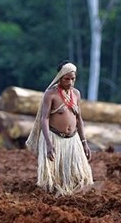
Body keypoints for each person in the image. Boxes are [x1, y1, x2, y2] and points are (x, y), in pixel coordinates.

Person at [26, 60, 94, 196]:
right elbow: (44, 119)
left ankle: (71, 199)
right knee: (54, 178)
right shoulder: (50, 94)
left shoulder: (76, 94)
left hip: (73, 140)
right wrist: (48, 144)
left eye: (72, 79)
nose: (70, 82)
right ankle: (53, 201)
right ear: (59, 77)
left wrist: (84, 142)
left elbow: (79, 119)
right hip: (54, 138)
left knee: (80, 175)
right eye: (66, 79)